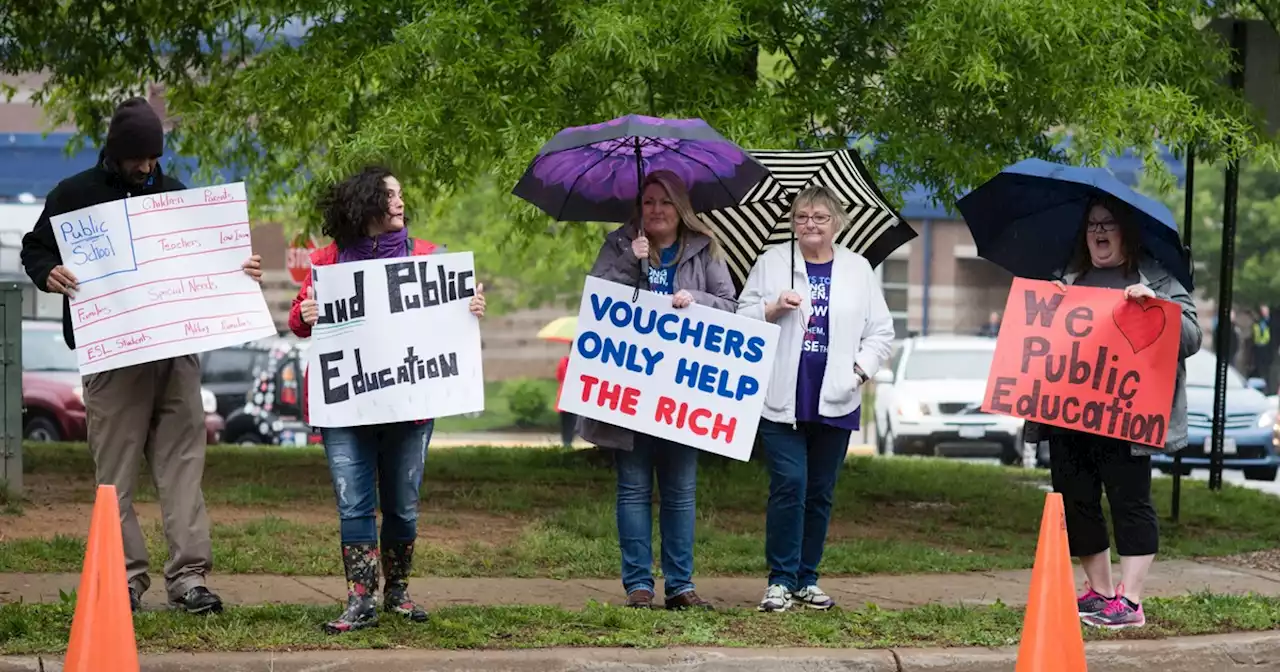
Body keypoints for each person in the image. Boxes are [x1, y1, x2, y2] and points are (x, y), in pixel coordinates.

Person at [20, 97, 262, 615]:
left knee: (183, 466)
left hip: (174, 356)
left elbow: (209, 261)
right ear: (115, 151)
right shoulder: (72, 195)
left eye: (154, 157)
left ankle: (190, 578)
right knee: (115, 475)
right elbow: (34, 249)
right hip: (112, 356)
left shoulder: (176, 197)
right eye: (139, 158)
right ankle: (125, 577)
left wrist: (238, 272)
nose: (148, 167)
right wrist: (48, 272)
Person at [288, 166, 487, 634]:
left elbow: (453, 325)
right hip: (347, 408)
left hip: (409, 406)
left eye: (400, 194)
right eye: (390, 195)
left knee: (402, 504)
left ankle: (396, 593)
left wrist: (471, 309)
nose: (400, 202)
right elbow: (298, 323)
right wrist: (305, 312)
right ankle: (361, 599)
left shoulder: (427, 258)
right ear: (364, 204)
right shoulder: (326, 263)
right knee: (353, 503)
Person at [1025, 196, 1200, 629]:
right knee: (1076, 498)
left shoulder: (1156, 275)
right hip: (1069, 415)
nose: (1099, 232)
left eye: (1108, 224)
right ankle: (1100, 592)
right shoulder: (1068, 276)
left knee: (1129, 500)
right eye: (1091, 225)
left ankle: (1132, 600)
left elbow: (1192, 338)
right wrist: (1052, 303)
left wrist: (1156, 306)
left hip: (1128, 417)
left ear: (1127, 231)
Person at [578, 169, 737, 610]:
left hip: (683, 394)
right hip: (630, 390)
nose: (656, 210)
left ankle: (681, 586)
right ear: (639, 209)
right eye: (648, 202)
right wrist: (632, 260)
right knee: (632, 488)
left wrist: (697, 300)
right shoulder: (618, 245)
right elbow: (596, 301)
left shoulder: (705, 250)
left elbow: (730, 306)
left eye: (665, 202)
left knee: (681, 490)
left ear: (680, 207)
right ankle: (639, 586)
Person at [736, 186, 894, 613]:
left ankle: (807, 578)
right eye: (803, 216)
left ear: (836, 223)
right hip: (781, 394)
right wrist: (771, 308)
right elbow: (740, 316)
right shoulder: (772, 263)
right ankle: (780, 580)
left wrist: (859, 371)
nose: (810, 224)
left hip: (837, 397)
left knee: (821, 491)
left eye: (820, 217)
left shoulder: (858, 269)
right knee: (790, 484)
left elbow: (881, 331)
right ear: (793, 222)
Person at [556, 352, 576, 447]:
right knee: (572, 423)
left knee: (566, 424)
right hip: (574, 397)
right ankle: (568, 442)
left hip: (565, 397)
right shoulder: (580, 363)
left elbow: (559, 376)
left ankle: (566, 443)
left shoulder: (564, 361)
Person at [1251, 306, 1272, 386]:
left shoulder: (1269, 322)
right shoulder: (1258, 323)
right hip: (1259, 348)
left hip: (1267, 349)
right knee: (1260, 368)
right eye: (1263, 311)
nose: (1265, 313)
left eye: (1266, 311)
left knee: (1266, 369)